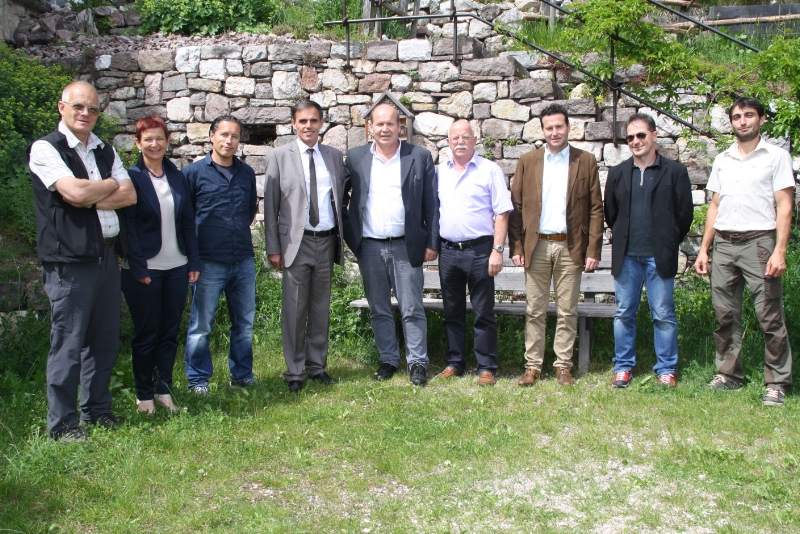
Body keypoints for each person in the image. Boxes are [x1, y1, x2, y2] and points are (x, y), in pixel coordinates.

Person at [28, 81, 137, 441]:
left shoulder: (104, 150)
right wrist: (106, 186)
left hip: (106, 256)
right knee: (69, 343)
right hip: (69, 261)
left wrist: (89, 194)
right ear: (62, 107)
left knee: (103, 342)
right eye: (78, 106)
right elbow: (73, 192)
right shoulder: (46, 148)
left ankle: (97, 411)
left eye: (92, 108)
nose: (85, 113)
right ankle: (62, 425)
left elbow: (129, 195)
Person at [695, 97, 794, 406]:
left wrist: (779, 251)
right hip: (724, 245)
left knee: (769, 315)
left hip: (759, 243)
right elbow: (715, 205)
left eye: (749, 115)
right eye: (737, 116)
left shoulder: (776, 157)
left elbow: (785, 205)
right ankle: (729, 374)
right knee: (724, 314)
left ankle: (776, 381)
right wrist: (704, 249)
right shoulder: (723, 159)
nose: (743, 121)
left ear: (761, 119)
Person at [342, 103, 439, 385]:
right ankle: (388, 359)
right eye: (379, 124)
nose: (385, 129)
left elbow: (431, 203)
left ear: (400, 127)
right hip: (370, 246)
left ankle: (417, 362)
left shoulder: (418, 156)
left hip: (407, 246)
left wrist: (432, 241)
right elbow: (342, 197)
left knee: (412, 307)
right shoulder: (356, 157)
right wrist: (352, 235)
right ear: (370, 127)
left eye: (390, 124)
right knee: (379, 308)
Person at [508, 104, 604, 387]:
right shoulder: (528, 161)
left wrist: (593, 250)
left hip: (570, 246)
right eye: (549, 128)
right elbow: (516, 206)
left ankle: (563, 366)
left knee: (567, 310)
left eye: (559, 126)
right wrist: (517, 247)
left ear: (568, 127)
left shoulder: (585, 161)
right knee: (534, 310)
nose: (554, 132)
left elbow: (596, 208)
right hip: (536, 245)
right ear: (542, 130)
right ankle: (533, 366)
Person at [604, 113, 693, 388]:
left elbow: (684, 215)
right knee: (623, 313)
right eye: (630, 137)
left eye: (641, 135)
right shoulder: (617, 173)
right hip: (627, 257)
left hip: (659, 256)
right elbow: (611, 213)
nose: (635, 141)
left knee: (663, 314)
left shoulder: (675, 172)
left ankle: (666, 369)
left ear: (654, 136)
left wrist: (668, 241)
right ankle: (623, 366)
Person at [265, 100, 345, 394]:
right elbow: (271, 206)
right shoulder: (279, 156)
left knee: (320, 308)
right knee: (295, 309)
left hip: (326, 240)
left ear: (321, 123)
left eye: (313, 120)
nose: (308, 126)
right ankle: (295, 371)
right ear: (293, 124)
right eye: (302, 121)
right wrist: (273, 248)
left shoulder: (333, 156)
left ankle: (317, 366)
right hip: (295, 244)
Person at [121, 115, 200, 413]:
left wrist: (193, 261)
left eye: (159, 138)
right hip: (144, 269)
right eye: (148, 139)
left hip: (177, 266)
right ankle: (144, 395)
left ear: (168, 141)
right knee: (147, 334)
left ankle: (163, 390)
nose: (154, 144)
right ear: (138, 143)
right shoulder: (130, 178)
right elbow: (128, 227)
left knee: (169, 333)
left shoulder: (178, 177)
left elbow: (188, 222)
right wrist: (139, 267)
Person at [183, 115, 258, 396]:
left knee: (245, 324)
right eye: (224, 134)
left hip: (243, 260)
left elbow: (249, 211)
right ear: (212, 136)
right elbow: (186, 218)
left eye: (234, 136)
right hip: (208, 261)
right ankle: (198, 380)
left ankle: (242, 375)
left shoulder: (246, 173)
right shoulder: (193, 173)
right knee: (201, 325)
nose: (229, 141)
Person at [437, 120, 513, 385]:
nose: (460, 142)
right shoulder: (439, 172)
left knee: (483, 312)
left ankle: (486, 367)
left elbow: (502, 213)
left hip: (480, 251)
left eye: (465, 137)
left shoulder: (490, 170)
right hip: (448, 251)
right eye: (455, 138)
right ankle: (454, 362)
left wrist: (497, 250)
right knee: (452, 311)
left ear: (474, 140)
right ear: (448, 142)